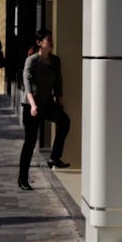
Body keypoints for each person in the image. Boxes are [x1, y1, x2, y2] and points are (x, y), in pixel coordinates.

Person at [18, 29, 72, 190]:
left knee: (64, 121)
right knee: (30, 142)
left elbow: (58, 83)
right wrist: (33, 106)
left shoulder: (55, 61)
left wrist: (60, 103)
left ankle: (54, 157)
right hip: (31, 105)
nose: (51, 42)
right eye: (48, 40)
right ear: (39, 43)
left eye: (51, 39)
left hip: (47, 103)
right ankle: (23, 179)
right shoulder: (31, 61)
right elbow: (27, 86)